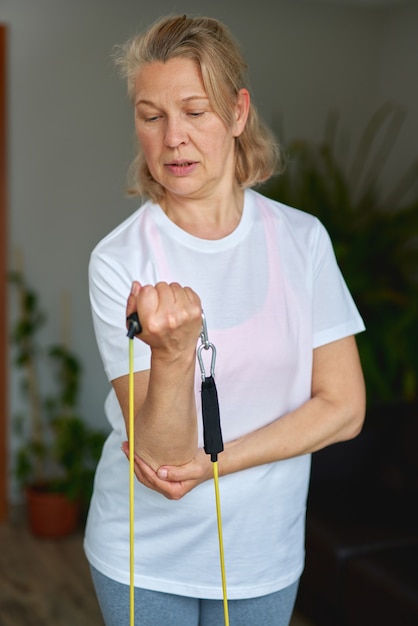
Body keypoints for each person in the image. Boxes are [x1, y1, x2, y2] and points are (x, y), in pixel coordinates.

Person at [84, 14, 366, 626]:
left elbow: (343, 407)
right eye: (150, 116)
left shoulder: (302, 241)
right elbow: (162, 463)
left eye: (194, 111)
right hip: (144, 558)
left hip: (263, 554)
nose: (172, 138)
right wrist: (174, 353)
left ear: (238, 113)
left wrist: (220, 461)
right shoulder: (120, 261)